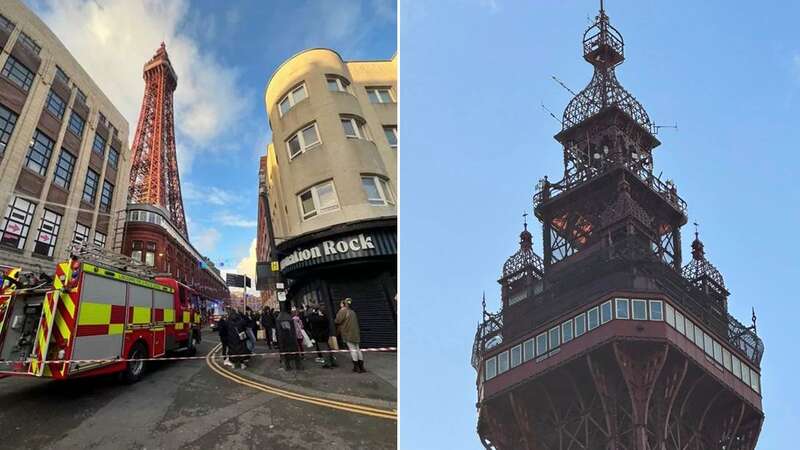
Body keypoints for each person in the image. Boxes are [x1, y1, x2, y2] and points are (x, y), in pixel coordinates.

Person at [335, 298, 364, 373]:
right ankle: (362, 367)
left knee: (352, 349)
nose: (340, 305)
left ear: (344, 304)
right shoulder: (352, 312)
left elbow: (337, 320)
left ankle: (356, 367)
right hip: (355, 332)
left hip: (348, 333)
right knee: (358, 349)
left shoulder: (342, 311)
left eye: (341, 303)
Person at [276, 304, 302, 370]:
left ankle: (288, 366)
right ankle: (297, 366)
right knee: (294, 352)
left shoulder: (280, 318)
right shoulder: (289, 317)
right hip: (291, 339)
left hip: (284, 340)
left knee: (287, 353)